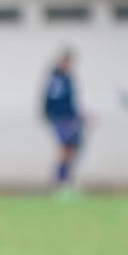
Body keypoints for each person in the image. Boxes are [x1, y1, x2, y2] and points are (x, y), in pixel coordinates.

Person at [43, 49, 85, 195]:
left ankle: (66, 182)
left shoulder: (66, 78)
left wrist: (78, 116)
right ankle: (60, 184)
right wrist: (56, 117)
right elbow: (53, 101)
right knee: (65, 151)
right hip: (62, 119)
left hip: (69, 118)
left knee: (71, 151)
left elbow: (70, 102)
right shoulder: (57, 79)